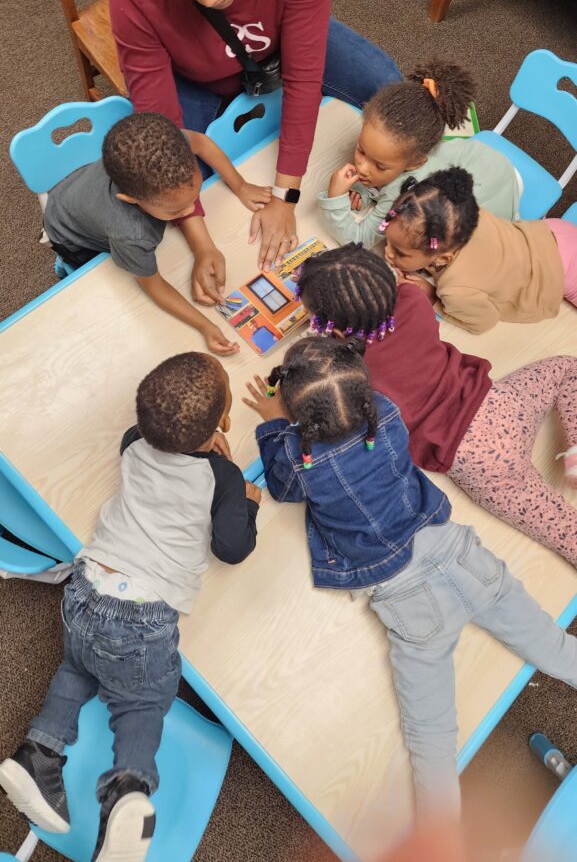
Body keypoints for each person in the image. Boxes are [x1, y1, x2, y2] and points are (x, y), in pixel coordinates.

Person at [243, 337, 577, 818]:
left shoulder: (299, 457)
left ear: (301, 420)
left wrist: (276, 425)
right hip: (461, 554)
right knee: (558, 650)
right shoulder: (387, 412)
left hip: (405, 595)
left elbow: (281, 487)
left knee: (433, 738)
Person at [0, 352, 260, 862]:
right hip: (143, 616)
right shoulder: (223, 479)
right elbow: (232, 547)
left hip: (88, 586)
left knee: (78, 666)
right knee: (140, 703)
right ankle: (126, 790)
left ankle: (38, 753)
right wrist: (245, 499)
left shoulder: (133, 442)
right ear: (224, 422)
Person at [109, 0, 402, 275]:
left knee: (389, 90)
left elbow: (304, 70)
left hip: (280, 46)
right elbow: (163, 130)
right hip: (196, 78)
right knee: (166, 188)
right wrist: (202, 243)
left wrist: (286, 194)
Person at [295, 243, 577, 563]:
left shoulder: (343, 368)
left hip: (477, 460)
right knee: (567, 368)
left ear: (335, 329)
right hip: (500, 406)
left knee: (564, 529)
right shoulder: (412, 300)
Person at [44, 112, 269, 354]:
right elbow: (153, 285)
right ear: (131, 200)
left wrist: (241, 185)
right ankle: (63, 264)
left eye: (195, 195)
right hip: (68, 233)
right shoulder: (131, 233)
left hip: (75, 189)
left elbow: (202, 143)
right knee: (85, 269)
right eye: (176, 210)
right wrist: (205, 325)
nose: (192, 210)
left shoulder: (169, 147)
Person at [318, 61, 520, 248]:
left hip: (493, 205)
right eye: (361, 150)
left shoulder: (403, 192)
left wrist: (335, 199)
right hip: (496, 165)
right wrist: (364, 190)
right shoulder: (411, 151)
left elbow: (359, 239)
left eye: (379, 166)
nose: (361, 167)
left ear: (414, 164)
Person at [380, 166, 577, 332]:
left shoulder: (456, 290)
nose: (388, 253)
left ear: (444, 258)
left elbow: (483, 323)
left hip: (561, 270)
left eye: (400, 252)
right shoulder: (461, 217)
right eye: (388, 241)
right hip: (549, 231)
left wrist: (433, 297)